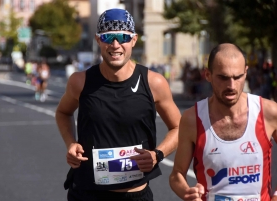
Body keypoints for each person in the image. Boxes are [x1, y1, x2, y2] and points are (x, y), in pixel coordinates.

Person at [55, 8, 181, 201]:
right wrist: (71, 143)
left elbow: (180, 127)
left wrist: (157, 155)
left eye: (123, 37)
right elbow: (63, 112)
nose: (115, 45)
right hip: (87, 193)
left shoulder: (154, 83)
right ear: (98, 40)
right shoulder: (80, 81)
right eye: (107, 38)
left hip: (135, 195)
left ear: (134, 40)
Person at [169, 43, 277, 201]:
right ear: (208, 75)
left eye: (237, 77)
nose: (231, 86)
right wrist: (188, 193)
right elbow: (176, 175)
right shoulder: (192, 119)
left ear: (246, 73)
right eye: (223, 78)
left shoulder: (269, 112)